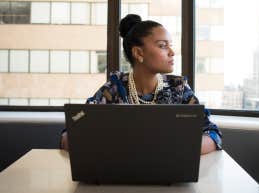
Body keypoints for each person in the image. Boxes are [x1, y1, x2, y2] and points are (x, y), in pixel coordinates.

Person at [61, 14, 222, 155]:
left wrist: (175, 149)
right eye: (162, 45)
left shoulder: (178, 88)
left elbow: (212, 133)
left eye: (170, 45)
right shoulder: (114, 89)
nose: (172, 52)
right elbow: (70, 133)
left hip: (169, 178)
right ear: (138, 53)